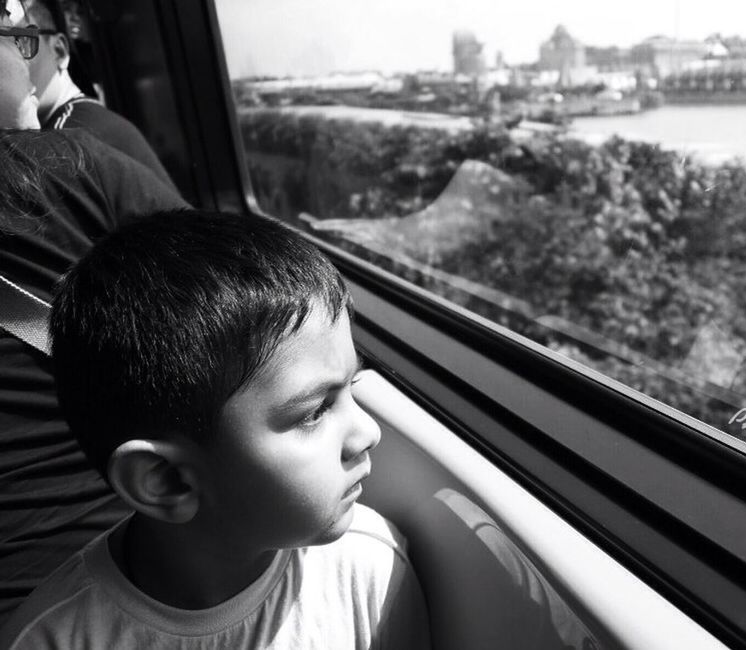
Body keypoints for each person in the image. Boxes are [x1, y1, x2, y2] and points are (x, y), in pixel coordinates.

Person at [0, 210, 431, 648]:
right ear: (167, 481)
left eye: (351, 386)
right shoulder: (51, 639)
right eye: (315, 411)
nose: (368, 432)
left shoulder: (371, 569)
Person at [0, 0, 189, 626]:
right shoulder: (71, 166)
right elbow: (229, 291)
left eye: (27, 40)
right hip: (112, 580)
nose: (22, 60)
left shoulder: (88, 139)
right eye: (11, 39)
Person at [18, 0, 175, 186]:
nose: (11, 59)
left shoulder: (64, 142)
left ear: (59, 50)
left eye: (21, 42)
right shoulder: (86, 120)